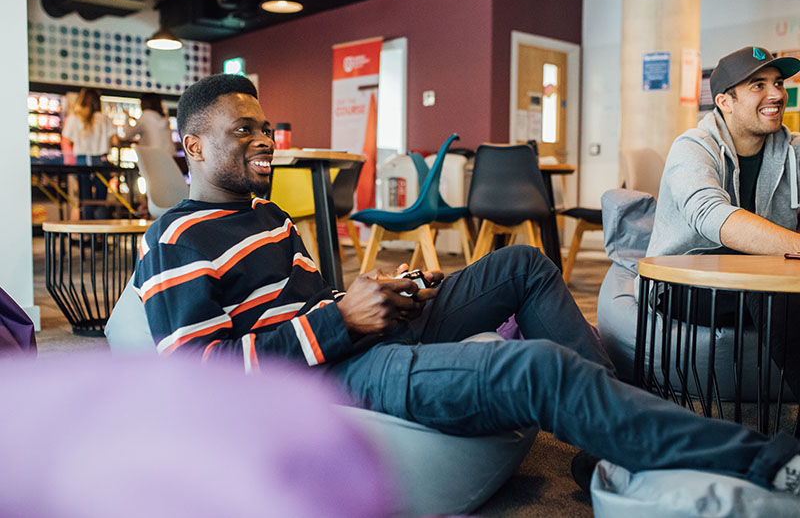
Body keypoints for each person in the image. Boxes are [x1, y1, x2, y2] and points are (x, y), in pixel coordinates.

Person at [133, 74, 800, 497]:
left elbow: (304, 309)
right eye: (242, 130)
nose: (264, 140)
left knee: (524, 264)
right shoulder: (174, 241)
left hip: (355, 335)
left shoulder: (268, 216)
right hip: (336, 374)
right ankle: (763, 461)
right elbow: (200, 373)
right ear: (192, 146)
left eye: (263, 127)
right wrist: (341, 322)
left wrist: (385, 293)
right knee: (536, 368)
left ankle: (611, 433)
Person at [646, 45, 800, 396]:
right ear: (724, 102)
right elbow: (710, 214)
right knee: (767, 289)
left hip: (759, 278)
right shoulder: (693, 146)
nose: (777, 93)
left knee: (766, 285)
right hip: (684, 282)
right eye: (758, 85)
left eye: (778, 82)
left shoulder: (792, 150)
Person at [62, 88, 117, 219]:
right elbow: (115, 140)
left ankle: (86, 235)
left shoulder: (74, 118)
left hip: (82, 161)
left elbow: (68, 141)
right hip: (101, 161)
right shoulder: (104, 119)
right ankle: (100, 234)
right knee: (101, 199)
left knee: (85, 199)